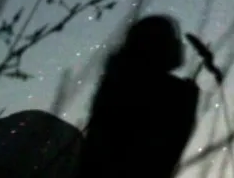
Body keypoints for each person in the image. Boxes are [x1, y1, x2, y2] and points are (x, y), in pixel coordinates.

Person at [77, 14, 198, 178]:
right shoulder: (170, 91)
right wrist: (186, 102)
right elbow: (163, 153)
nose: (179, 45)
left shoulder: (117, 79)